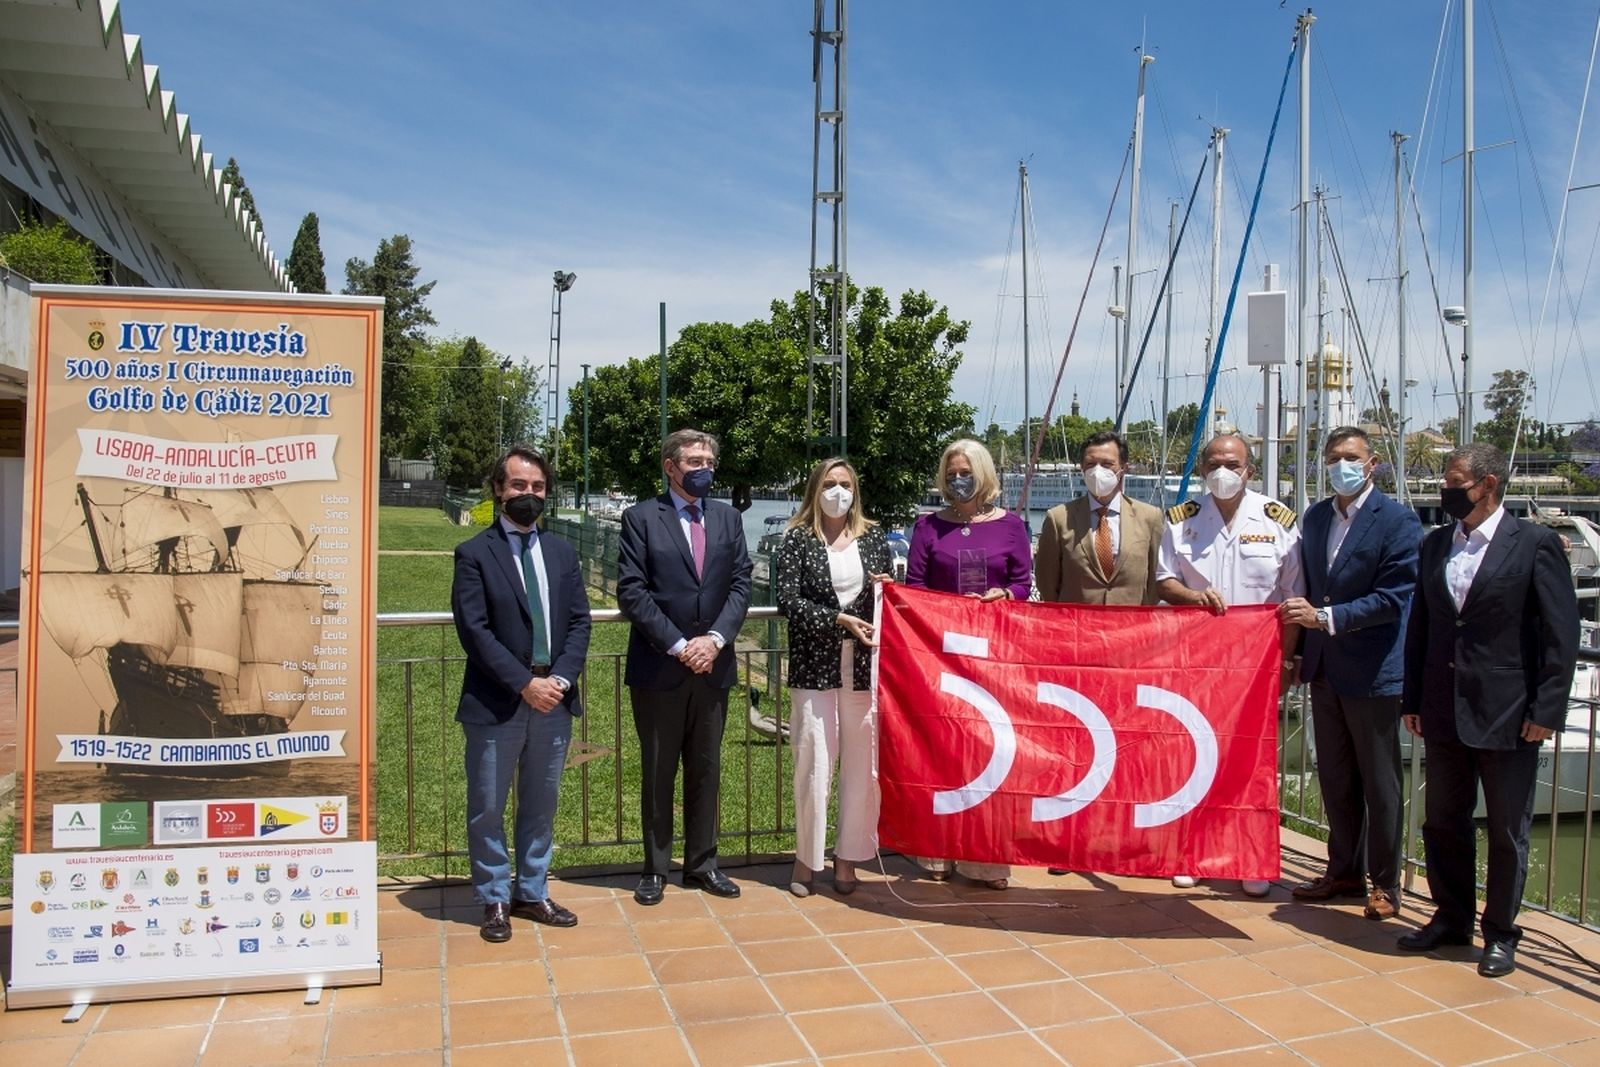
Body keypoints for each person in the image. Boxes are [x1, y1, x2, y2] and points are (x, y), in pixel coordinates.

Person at [1399, 443, 1578, 977]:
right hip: (1444, 709)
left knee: (1505, 829)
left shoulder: (1535, 544)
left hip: (1509, 711)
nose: (1445, 492)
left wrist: (1547, 710)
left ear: (1488, 484)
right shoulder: (1436, 545)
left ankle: (1500, 933)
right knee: (1443, 822)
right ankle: (1450, 918)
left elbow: (1559, 634)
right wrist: (1414, 699)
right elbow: (1424, 628)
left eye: (1455, 482)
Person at [1276, 427, 1420, 921]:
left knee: (1380, 783)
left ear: (1372, 463)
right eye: (1334, 458)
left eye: (1351, 457)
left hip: (1374, 671)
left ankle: (1384, 885)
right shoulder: (1315, 519)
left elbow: (1395, 596)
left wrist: (1326, 619)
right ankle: (1342, 872)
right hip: (1324, 672)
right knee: (1335, 777)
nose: (1342, 466)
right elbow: (1306, 585)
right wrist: (1298, 651)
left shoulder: (1398, 521)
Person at [452, 445, 592, 943]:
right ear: (498, 489)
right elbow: (474, 630)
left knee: (541, 803)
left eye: (536, 488)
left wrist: (559, 680)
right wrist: (523, 683)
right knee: (488, 805)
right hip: (498, 701)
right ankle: (493, 897)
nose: (527, 495)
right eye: (518, 486)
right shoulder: (474, 554)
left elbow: (579, 622)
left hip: (554, 698)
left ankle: (532, 891)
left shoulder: (561, 552)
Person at [1157, 433, 1303, 897]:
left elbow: (1292, 597)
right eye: (1215, 462)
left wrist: (1287, 659)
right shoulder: (1182, 521)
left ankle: (1248, 857)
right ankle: (1193, 853)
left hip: (1255, 664)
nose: (1223, 470)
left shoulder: (1278, 521)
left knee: (1251, 761)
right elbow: (1164, 580)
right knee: (1195, 757)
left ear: (1249, 470)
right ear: (1203, 469)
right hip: (1197, 662)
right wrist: (1194, 597)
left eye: (1233, 462)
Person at [617, 428, 753, 906]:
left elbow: (740, 584)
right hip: (660, 668)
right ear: (670, 466)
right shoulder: (639, 519)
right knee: (658, 770)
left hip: (713, 667)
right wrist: (680, 645)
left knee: (706, 768)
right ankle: (655, 868)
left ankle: (702, 864)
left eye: (710, 460)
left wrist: (714, 640)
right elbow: (631, 590)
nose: (704, 468)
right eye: (695, 461)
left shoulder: (728, 518)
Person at [905, 438, 1031, 889]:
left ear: (984, 474)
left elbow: (1022, 582)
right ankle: (935, 852)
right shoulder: (927, 527)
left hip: (993, 655)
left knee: (990, 751)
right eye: (952, 472)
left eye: (967, 472)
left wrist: (1004, 596)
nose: (959, 479)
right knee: (941, 751)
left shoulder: (1012, 526)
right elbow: (914, 585)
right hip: (938, 654)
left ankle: (986, 859)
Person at [775, 457, 892, 897]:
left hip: (863, 669)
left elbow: (886, 597)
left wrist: (884, 586)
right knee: (814, 763)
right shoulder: (796, 540)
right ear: (815, 488)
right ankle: (806, 859)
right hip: (814, 667)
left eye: (844, 484)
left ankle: (848, 859)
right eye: (829, 483)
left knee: (863, 768)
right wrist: (838, 619)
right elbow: (787, 599)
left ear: (854, 490)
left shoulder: (875, 537)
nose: (837, 491)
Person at [1036, 429, 1163, 606]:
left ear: (1123, 468)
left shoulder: (1150, 517)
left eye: (1107, 464)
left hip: (1130, 626)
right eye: (1090, 463)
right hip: (1077, 626)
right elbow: (1047, 582)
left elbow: (1155, 579)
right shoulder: (1058, 519)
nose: (1097, 470)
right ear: (1081, 468)